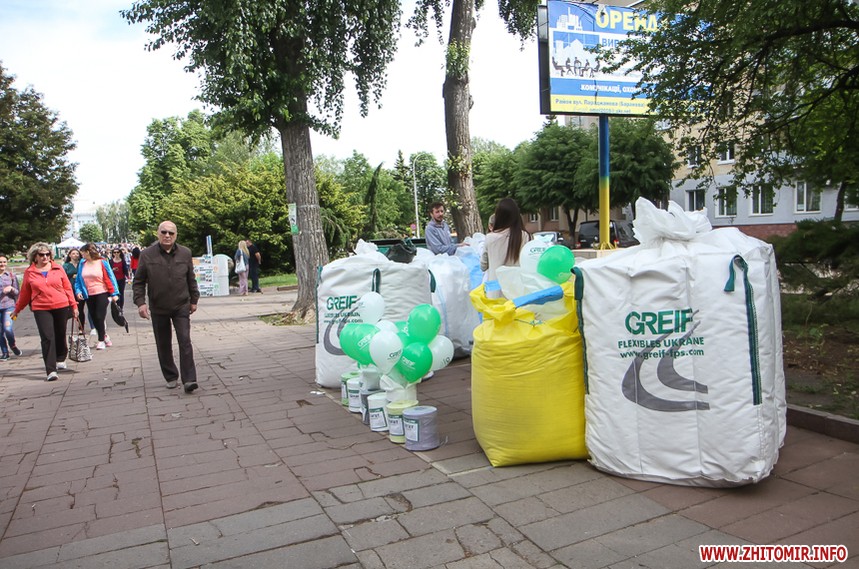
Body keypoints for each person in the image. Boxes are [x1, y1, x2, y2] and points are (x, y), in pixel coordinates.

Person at [133, 221, 200, 393]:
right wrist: (141, 303)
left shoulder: (185, 253)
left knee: (185, 341)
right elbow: (138, 281)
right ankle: (170, 376)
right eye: (164, 232)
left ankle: (189, 379)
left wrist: (194, 299)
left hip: (181, 305)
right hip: (158, 306)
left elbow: (191, 278)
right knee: (163, 343)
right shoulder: (147, 255)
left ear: (176, 235)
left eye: (171, 233)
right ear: (158, 233)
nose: (167, 235)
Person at [11, 243, 78, 381]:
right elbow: (25, 294)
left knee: (60, 334)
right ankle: (51, 370)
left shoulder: (58, 268)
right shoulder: (30, 272)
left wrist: (74, 306)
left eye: (47, 254)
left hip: (61, 305)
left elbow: (67, 288)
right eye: (41, 255)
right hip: (41, 307)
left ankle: (60, 357)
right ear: (35, 256)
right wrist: (17, 310)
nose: (45, 257)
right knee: (47, 337)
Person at [481, 198, 531, 299]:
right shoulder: (525, 236)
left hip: (495, 293)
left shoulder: (490, 238)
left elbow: (483, 266)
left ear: (498, 216)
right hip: (518, 294)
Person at [74, 243, 120, 350]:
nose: (82, 255)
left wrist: (114, 293)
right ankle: (104, 335)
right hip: (88, 294)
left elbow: (111, 277)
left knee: (100, 316)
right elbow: (78, 280)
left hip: (102, 292)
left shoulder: (102, 262)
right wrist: (78, 291)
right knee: (94, 317)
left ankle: (101, 340)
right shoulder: (82, 263)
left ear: (88, 252)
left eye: (83, 253)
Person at [0, 254, 22, 361]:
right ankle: (5, 352)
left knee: (7, 329)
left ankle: (12, 345)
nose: (2, 264)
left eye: (4, 262)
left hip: (9, 306)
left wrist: (12, 289)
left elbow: (18, 292)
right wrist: (2, 292)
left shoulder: (11, 276)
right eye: (0, 262)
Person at [63, 248, 87, 329]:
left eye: (77, 253)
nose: (75, 255)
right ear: (69, 255)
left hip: (80, 289)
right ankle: (64, 327)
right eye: (73, 253)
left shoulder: (82, 264)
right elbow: (63, 277)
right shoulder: (66, 266)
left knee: (80, 308)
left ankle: (81, 327)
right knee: (70, 309)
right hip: (70, 289)